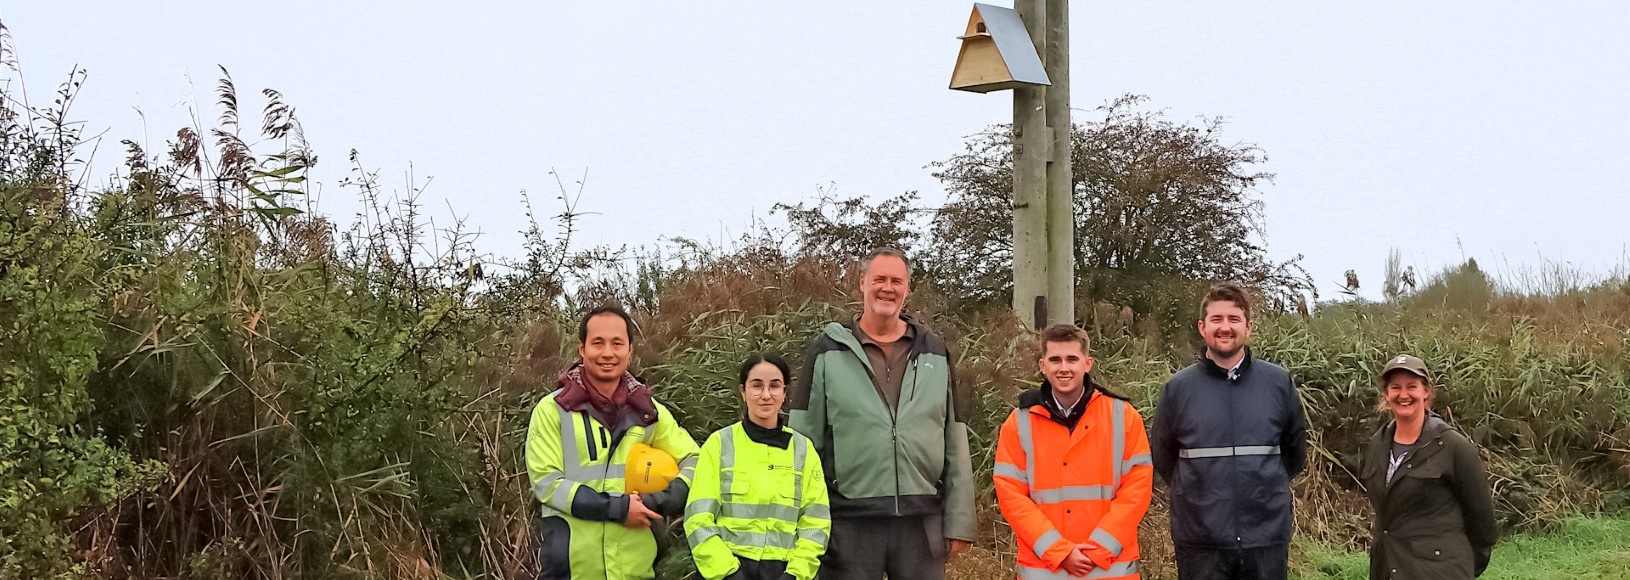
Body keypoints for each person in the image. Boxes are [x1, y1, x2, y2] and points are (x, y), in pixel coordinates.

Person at [787, 248, 976, 580]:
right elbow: (803, 442)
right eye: (879, 279)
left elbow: (953, 437)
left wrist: (959, 520)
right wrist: (800, 519)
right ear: (862, 283)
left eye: (896, 281)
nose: (887, 288)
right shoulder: (828, 350)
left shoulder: (934, 351)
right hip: (849, 523)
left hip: (921, 524)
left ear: (907, 288)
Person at [525, 305, 701, 580]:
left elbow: (695, 459)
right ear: (582, 349)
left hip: (635, 570)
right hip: (571, 569)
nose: (608, 353)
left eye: (617, 343)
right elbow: (547, 484)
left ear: (630, 351)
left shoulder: (649, 413)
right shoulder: (552, 410)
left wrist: (661, 501)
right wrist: (618, 509)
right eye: (598, 343)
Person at [1150, 284, 1308, 580]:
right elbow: (1164, 457)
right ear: (1202, 327)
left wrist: (1262, 490)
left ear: (1248, 327)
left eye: (1234, 319)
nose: (1225, 327)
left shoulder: (1278, 382)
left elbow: (1294, 452)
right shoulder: (1178, 389)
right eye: (1217, 319)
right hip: (1200, 542)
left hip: (1265, 538)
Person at [994, 325, 1152, 580]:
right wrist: (1059, 552)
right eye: (1055, 359)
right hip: (1044, 570)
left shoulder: (1123, 417)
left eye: (1072, 359)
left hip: (1109, 569)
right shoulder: (1018, 422)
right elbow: (1011, 495)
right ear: (1042, 365)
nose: (1063, 368)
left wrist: (1098, 549)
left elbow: (1137, 490)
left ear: (1087, 363)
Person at [685, 354, 833, 580]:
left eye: (774, 386)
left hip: (784, 572)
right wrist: (726, 572)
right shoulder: (719, 444)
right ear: (743, 392)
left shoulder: (804, 450)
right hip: (728, 571)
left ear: (785, 393)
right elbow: (698, 518)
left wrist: (796, 574)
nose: (766, 395)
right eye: (756, 386)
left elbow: (816, 523)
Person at [1361, 354, 1497, 579]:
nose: (1403, 395)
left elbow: (1483, 524)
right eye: (1395, 387)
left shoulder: (1453, 446)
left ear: (1426, 392)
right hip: (1389, 569)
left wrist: (1454, 566)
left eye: (1411, 386)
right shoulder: (1378, 443)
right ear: (1386, 394)